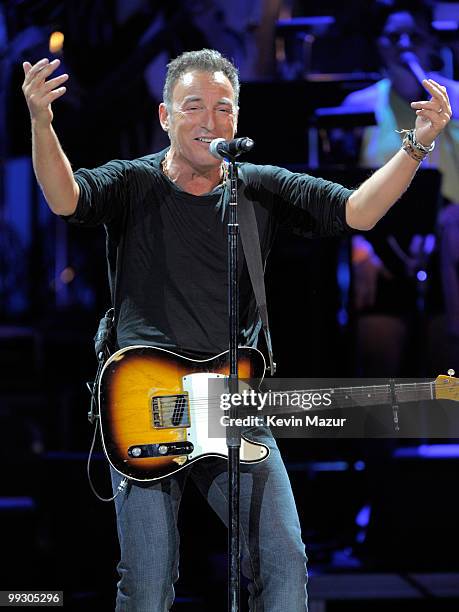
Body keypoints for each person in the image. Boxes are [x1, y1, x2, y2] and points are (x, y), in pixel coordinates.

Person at [22, 47, 451, 611]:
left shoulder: (258, 187)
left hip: (235, 404)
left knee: (285, 562)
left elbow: (359, 213)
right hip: (146, 401)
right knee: (147, 583)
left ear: (238, 119)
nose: (209, 120)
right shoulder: (131, 182)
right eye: (193, 106)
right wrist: (40, 121)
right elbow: (65, 198)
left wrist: (416, 145)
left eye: (223, 108)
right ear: (165, 117)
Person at [342, 1, 459, 375]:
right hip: (382, 246)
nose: (404, 44)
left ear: (431, 45)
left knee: (445, 366)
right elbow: (346, 189)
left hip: (447, 246)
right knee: (380, 356)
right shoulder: (357, 106)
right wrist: (361, 249)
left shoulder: (457, 101)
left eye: (415, 36)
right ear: (379, 44)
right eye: (393, 36)